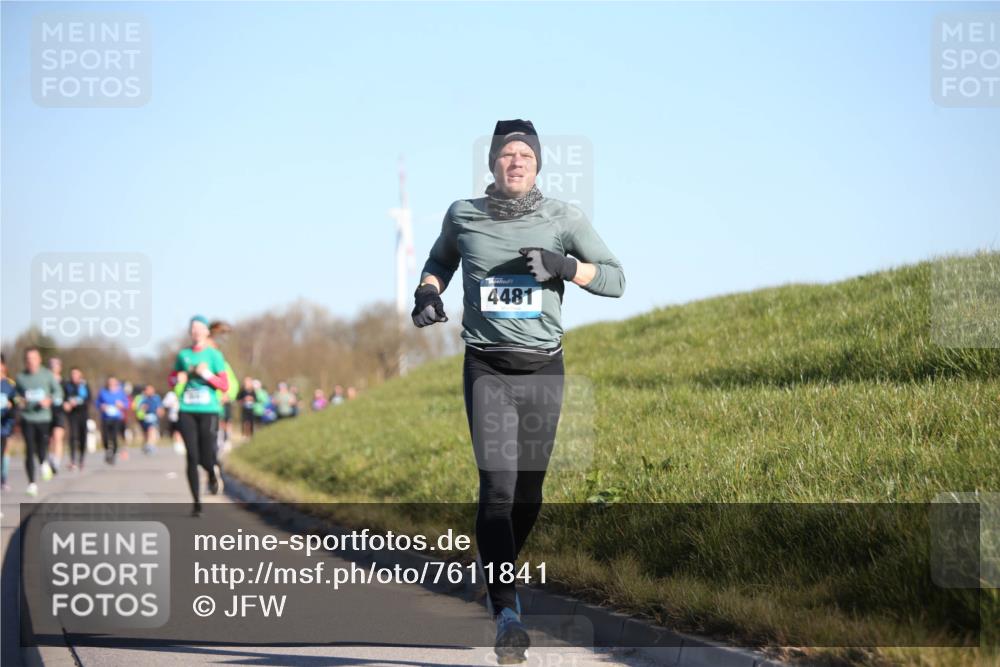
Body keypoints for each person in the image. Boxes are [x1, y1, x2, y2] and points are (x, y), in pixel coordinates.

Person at [412, 119, 625, 663]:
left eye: (524, 156)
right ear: (493, 164)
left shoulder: (563, 217)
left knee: (529, 496)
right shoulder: (465, 215)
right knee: (498, 490)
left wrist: (566, 266)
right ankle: (507, 613)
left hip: (543, 370)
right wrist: (426, 292)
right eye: (506, 155)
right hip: (486, 368)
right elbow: (440, 262)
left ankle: (492, 572)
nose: (515, 162)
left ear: (536, 164)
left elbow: (617, 279)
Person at [172, 315, 230, 516]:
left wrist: (206, 375)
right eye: (193, 328)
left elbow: (224, 385)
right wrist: (177, 378)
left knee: (207, 455)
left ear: (206, 332)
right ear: (190, 332)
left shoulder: (214, 356)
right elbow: (172, 377)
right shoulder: (183, 355)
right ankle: (196, 503)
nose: (196, 331)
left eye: (200, 327)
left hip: (209, 411)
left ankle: (213, 474)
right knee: (191, 456)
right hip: (187, 410)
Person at [15, 347, 64, 496]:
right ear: (25, 361)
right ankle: (31, 483)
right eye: (28, 359)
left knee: (42, 447)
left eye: (34, 358)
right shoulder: (21, 377)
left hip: (44, 418)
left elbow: (58, 392)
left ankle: (44, 463)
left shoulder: (47, 375)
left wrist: (49, 400)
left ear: (39, 359)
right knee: (29, 449)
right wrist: (20, 401)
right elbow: (16, 395)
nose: (31, 362)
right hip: (28, 417)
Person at [63, 367, 91, 471]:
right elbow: (64, 398)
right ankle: (72, 460)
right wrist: (66, 403)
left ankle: (81, 459)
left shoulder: (85, 385)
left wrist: (80, 403)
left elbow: (89, 399)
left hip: (83, 414)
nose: (74, 376)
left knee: (82, 437)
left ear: (80, 375)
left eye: (76, 374)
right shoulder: (67, 385)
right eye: (72, 374)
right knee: (73, 436)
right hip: (72, 415)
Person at [95, 376, 128, 464]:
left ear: (116, 383)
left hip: (116, 418)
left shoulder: (120, 393)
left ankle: (112, 454)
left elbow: (127, 404)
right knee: (105, 437)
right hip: (105, 417)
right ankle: (107, 450)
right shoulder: (103, 392)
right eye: (110, 382)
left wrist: (121, 405)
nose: (111, 384)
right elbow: (97, 402)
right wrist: (101, 406)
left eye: (113, 382)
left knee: (114, 437)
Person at [47, 357, 66, 473]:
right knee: (49, 439)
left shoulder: (64, 382)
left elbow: (68, 396)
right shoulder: (45, 381)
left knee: (58, 437)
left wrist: (68, 403)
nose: (53, 367)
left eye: (56, 365)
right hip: (47, 413)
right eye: (51, 365)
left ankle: (56, 462)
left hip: (59, 412)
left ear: (60, 367)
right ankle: (50, 457)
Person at [1, 354, 17, 491]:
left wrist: (12, 404)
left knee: (4, 450)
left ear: (3, 366)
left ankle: (4, 478)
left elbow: (17, 401)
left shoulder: (10, 384)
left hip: (5, 423)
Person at [136, 385, 163, 454]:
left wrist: (160, 411)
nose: (149, 391)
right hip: (146, 417)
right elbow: (140, 407)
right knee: (146, 433)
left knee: (152, 430)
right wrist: (143, 407)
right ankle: (146, 445)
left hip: (154, 417)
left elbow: (160, 407)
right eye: (148, 390)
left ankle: (150, 445)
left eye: (151, 389)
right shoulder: (143, 398)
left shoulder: (157, 397)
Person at [161, 389, 184, 455]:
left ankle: (181, 443)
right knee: (177, 431)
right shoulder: (171, 394)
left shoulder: (185, 391)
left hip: (184, 415)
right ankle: (177, 444)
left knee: (183, 431)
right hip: (174, 416)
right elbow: (165, 404)